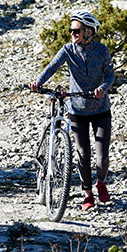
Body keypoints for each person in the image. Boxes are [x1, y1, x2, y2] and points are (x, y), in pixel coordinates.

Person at [30, 11, 115, 212]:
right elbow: (52, 67)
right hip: (77, 109)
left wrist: (103, 88)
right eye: (71, 30)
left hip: (101, 109)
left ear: (89, 32)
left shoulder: (102, 50)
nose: (72, 34)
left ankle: (101, 183)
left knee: (102, 156)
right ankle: (87, 194)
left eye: (76, 30)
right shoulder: (68, 50)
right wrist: (38, 83)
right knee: (83, 154)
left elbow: (110, 75)